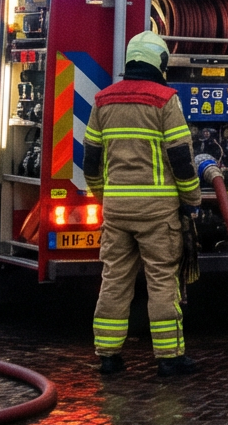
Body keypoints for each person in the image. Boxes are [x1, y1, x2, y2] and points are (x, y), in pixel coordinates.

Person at [85, 31, 204, 378]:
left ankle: (108, 355)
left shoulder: (103, 100)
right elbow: (181, 158)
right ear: (160, 63)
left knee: (114, 280)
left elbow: (91, 161)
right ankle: (169, 357)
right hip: (157, 212)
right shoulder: (165, 100)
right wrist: (192, 200)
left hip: (117, 210)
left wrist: (103, 196)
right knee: (162, 281)